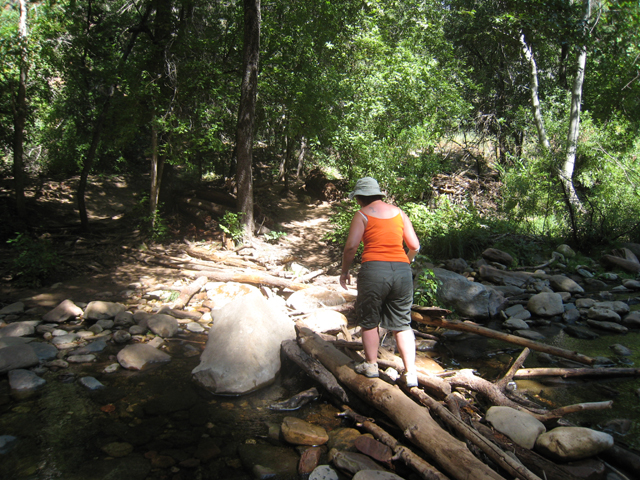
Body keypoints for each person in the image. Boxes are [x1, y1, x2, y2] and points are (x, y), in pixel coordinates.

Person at [339, 177, 421, 387]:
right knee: (402, 323)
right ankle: (411, 374)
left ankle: (371, 365)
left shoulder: (362, 215)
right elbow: (415, 246)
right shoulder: (400, 213)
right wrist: (405, 263)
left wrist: (344, 271)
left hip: (374, 271)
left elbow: (351, 247)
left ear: (360, 198)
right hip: (402, 272)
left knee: (369, 319)